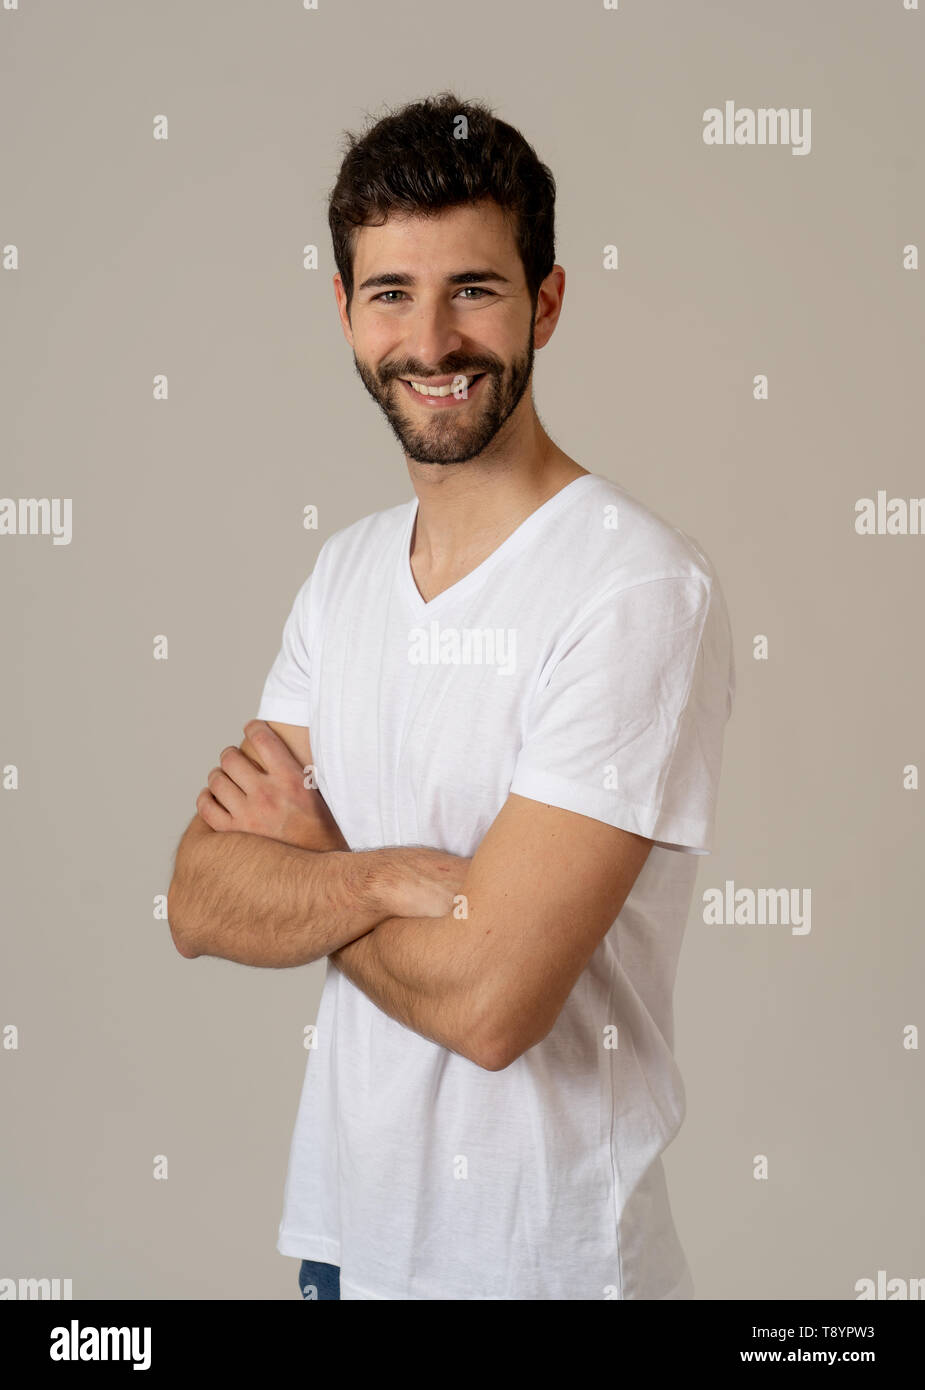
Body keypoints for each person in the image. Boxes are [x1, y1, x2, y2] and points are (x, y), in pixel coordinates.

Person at [167, 91, 736, 1301]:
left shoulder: (633, 590)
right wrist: (373, 873)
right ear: (342, 312)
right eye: (390, 293)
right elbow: (199, 895)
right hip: (343, 1250)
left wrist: (308, 872)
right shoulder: (344, 577)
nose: (431, 341)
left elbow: (492, 1004)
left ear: (546, 301)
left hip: (545, 1267)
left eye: (473, 288)